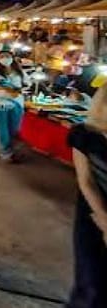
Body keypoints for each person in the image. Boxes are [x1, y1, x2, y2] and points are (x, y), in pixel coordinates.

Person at [67, 85, 107, 306]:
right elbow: (86, 182)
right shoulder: (85, 136)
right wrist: (103, 219)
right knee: (91, 281)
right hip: (92, 215)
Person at [0, 50, 25, 163]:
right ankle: (6, 154)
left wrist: (19, 90)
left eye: (7, 56)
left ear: (12, 57)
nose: (5, 58)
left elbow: (26, 85)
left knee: (15, 129)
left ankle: (13, 152)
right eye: (2, 56)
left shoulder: (19, 73)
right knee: (2, 130)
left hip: (16, 104)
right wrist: (4, 88)